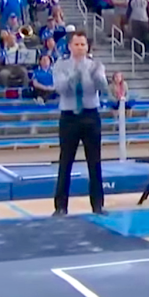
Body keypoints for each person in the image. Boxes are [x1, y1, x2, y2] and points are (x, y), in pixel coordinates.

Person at [52, 31, 109, 216]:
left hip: (90, 115)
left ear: (87, 47)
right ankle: (61, 206)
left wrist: (96, 76)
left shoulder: (95, 65)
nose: (80, 48)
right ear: (70, 46)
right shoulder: (61, 65)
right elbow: (60, 88)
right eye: (76, 44)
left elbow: (103, 87)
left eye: (83, 44)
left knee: (95, 162)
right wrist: (74, 75)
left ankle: (98, 204)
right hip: (69, 116)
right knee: (65, 161)